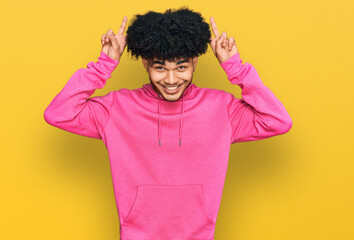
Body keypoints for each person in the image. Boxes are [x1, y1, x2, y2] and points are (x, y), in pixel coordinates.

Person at [44, 7, 292, 240]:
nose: (171, 79)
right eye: (160, 67)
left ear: (195, 62)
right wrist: (102, 67)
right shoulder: (116, 109)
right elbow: (58, 113)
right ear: (145, 64)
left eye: (181, 67)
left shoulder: (222, 108)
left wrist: (235, 68)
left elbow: (278, 121)